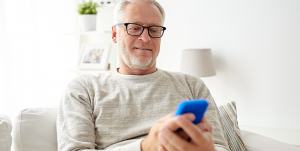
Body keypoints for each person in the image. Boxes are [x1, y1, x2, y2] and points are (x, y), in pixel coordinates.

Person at [57, 0, 229, 151]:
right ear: (115, 34)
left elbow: (220, 146)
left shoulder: (192, 85)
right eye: (134, 28)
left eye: (154, 30)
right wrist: (145, 147)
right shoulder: (84, 89)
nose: (145, 38)